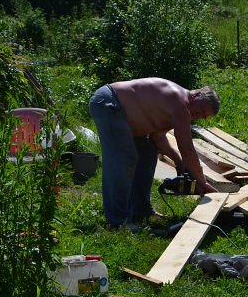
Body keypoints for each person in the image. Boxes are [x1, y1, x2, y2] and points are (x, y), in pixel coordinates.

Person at [89, 77, 219, 231]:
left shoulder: (178, 108)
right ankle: (117, 221)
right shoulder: (179, 102)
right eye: (201, 109)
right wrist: (202, 182)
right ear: (197, 95)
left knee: (148, 150)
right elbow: (187, 148)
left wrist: (178, 161)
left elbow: (158, 139)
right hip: (108, 103)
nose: (199, 115)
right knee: (124, 157)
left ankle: (141, 209)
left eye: (203, 116)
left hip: (121, 114)